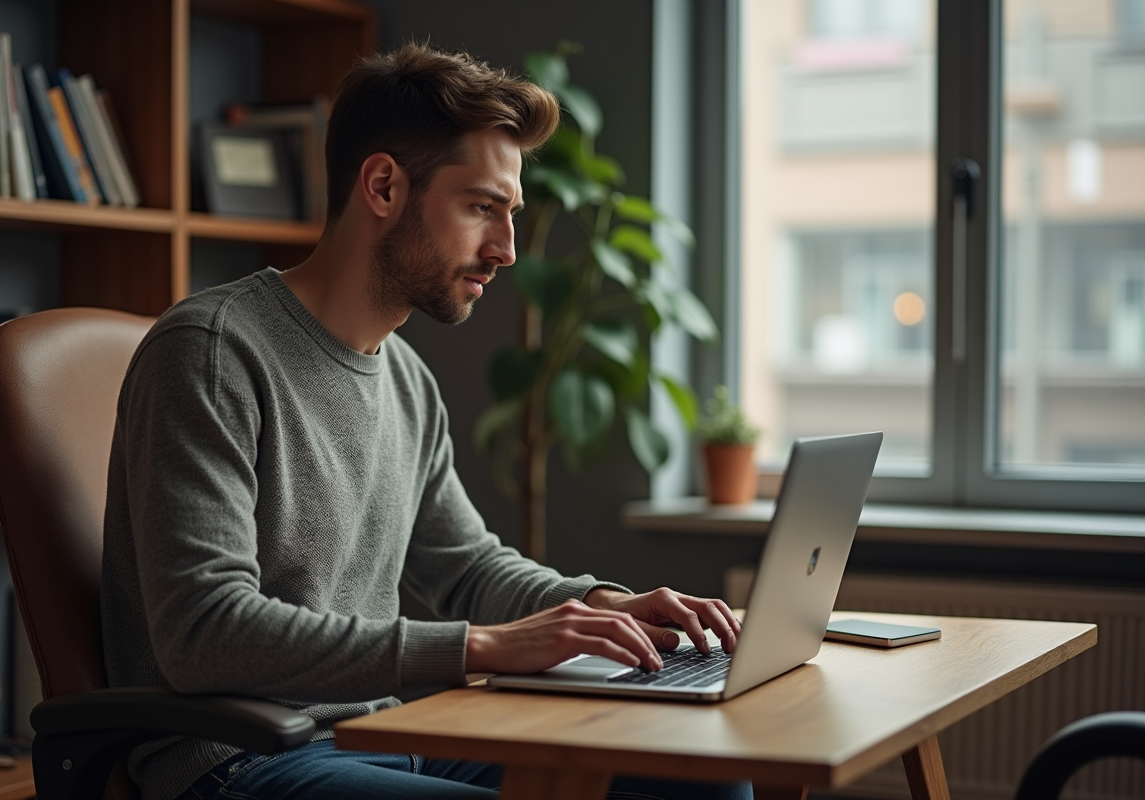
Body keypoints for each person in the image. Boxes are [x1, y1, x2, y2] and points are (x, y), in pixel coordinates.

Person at [101, 42, 749, 800]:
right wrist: (485, 647)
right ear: (382, 186)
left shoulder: (406, 377)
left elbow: (467, 566)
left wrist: (600, 606)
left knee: (697, 781)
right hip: (239, 759)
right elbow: (203, 634)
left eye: (511, 215)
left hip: (381, 738)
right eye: (482, 208)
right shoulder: (211, 352)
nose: (506, 250)